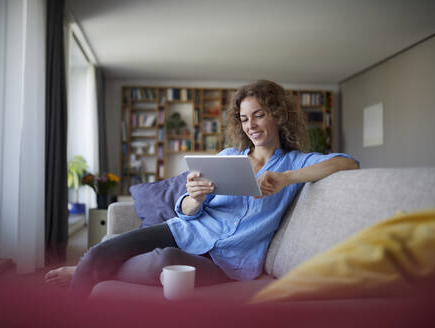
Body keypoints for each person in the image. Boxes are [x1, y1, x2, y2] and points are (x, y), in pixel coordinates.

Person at [45, 80, 359, 298]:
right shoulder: (227, 157)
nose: (251, 125)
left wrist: (287, 178)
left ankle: (90, 269)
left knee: (163, 262)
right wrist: (195, 197)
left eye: (259, 115)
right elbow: (187, 211)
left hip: (227, 262)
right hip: (186, 230)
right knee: (105, 248)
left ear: (277, 115)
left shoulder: (296, 162)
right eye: (244, 118)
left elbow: (348, 163)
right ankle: (92, 269)